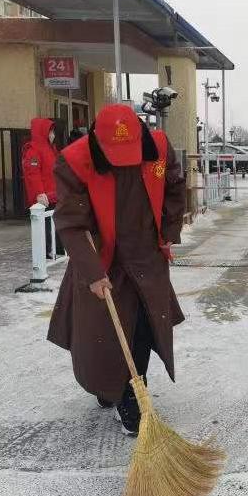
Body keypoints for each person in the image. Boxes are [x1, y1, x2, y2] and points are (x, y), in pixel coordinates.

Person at [47, 104, 186, 436]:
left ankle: (132, 396)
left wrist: (168, 232)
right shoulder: (75, 160)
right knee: (101, 332)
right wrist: (92, 271)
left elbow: (175, 189)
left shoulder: (159, 147)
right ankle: (108, 387)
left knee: (142, 327)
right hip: (102, 255)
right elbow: (71, 222)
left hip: (145, 255)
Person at [22, 117, 64, 258]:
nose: (53, 135)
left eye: (52, 132)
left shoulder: (51, 149)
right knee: (45, 227)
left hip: (54, 195)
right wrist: (39, 194)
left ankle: (58, 250)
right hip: (44, 198)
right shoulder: (33, 151)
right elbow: (32, 174)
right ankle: (45, 253)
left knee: (56, 224)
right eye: (50, 131)